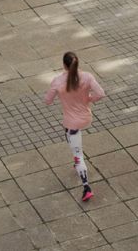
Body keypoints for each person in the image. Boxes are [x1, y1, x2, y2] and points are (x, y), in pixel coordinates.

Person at [44, 51, 105, 201]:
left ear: (64, 65)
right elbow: (101, 93)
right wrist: (89, 99)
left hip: (72, 122)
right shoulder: (87, 77)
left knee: (78, 155)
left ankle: (86, 187)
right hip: (85, 117)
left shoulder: (58, 82)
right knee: (71, 136)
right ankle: (76, 158)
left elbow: (47, 100)